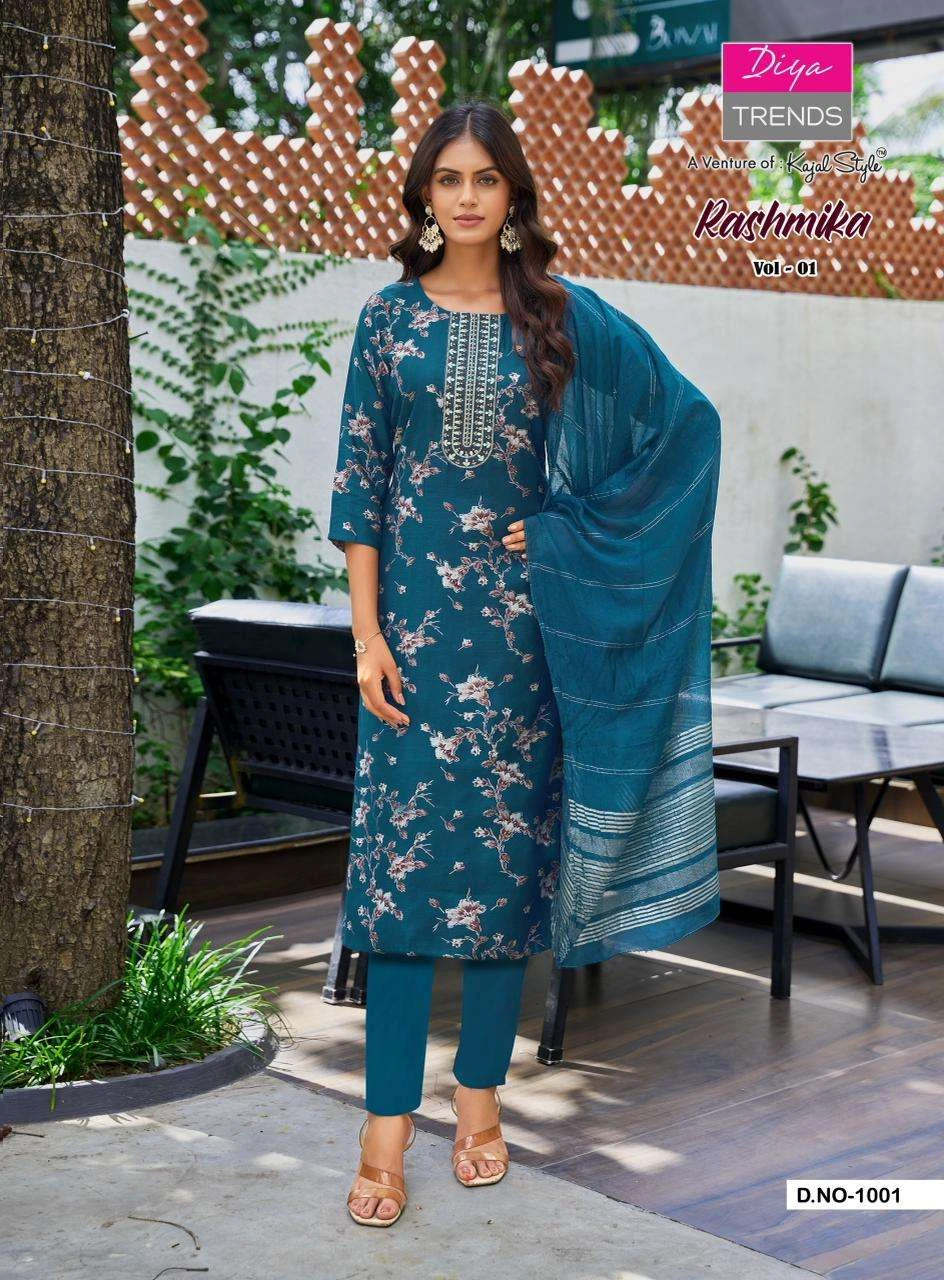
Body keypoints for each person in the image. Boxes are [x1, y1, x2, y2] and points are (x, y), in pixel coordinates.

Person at [327, 99, 723, 1228]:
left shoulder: (557, 316)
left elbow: (682, 428)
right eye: (447, 179)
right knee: (401, 881)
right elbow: (359, 488)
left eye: (484, 179)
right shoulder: (387, 320)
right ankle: (385, 1126)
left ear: (511, 196)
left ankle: (480, 1102)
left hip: (519, 641)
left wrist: (564, 530)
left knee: (503, 879)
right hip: (408, 646)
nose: (465, 198)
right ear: (424, 194)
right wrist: (365, 636)